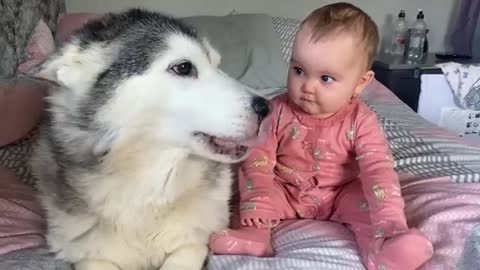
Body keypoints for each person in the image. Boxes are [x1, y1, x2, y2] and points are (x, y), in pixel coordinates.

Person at [209, 3, 434, 270]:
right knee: (250, 193)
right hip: (287, 190)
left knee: (368, 207)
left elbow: (378, 170)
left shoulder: (362, 121)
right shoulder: (277, 111)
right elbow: (259, 157)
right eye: (299, 71)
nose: (307, 87)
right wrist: (257, 201)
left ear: (361, 83)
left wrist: (391, 220)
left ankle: (385, 249)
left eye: (326, 78)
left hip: (339, 193)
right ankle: (255, 237)